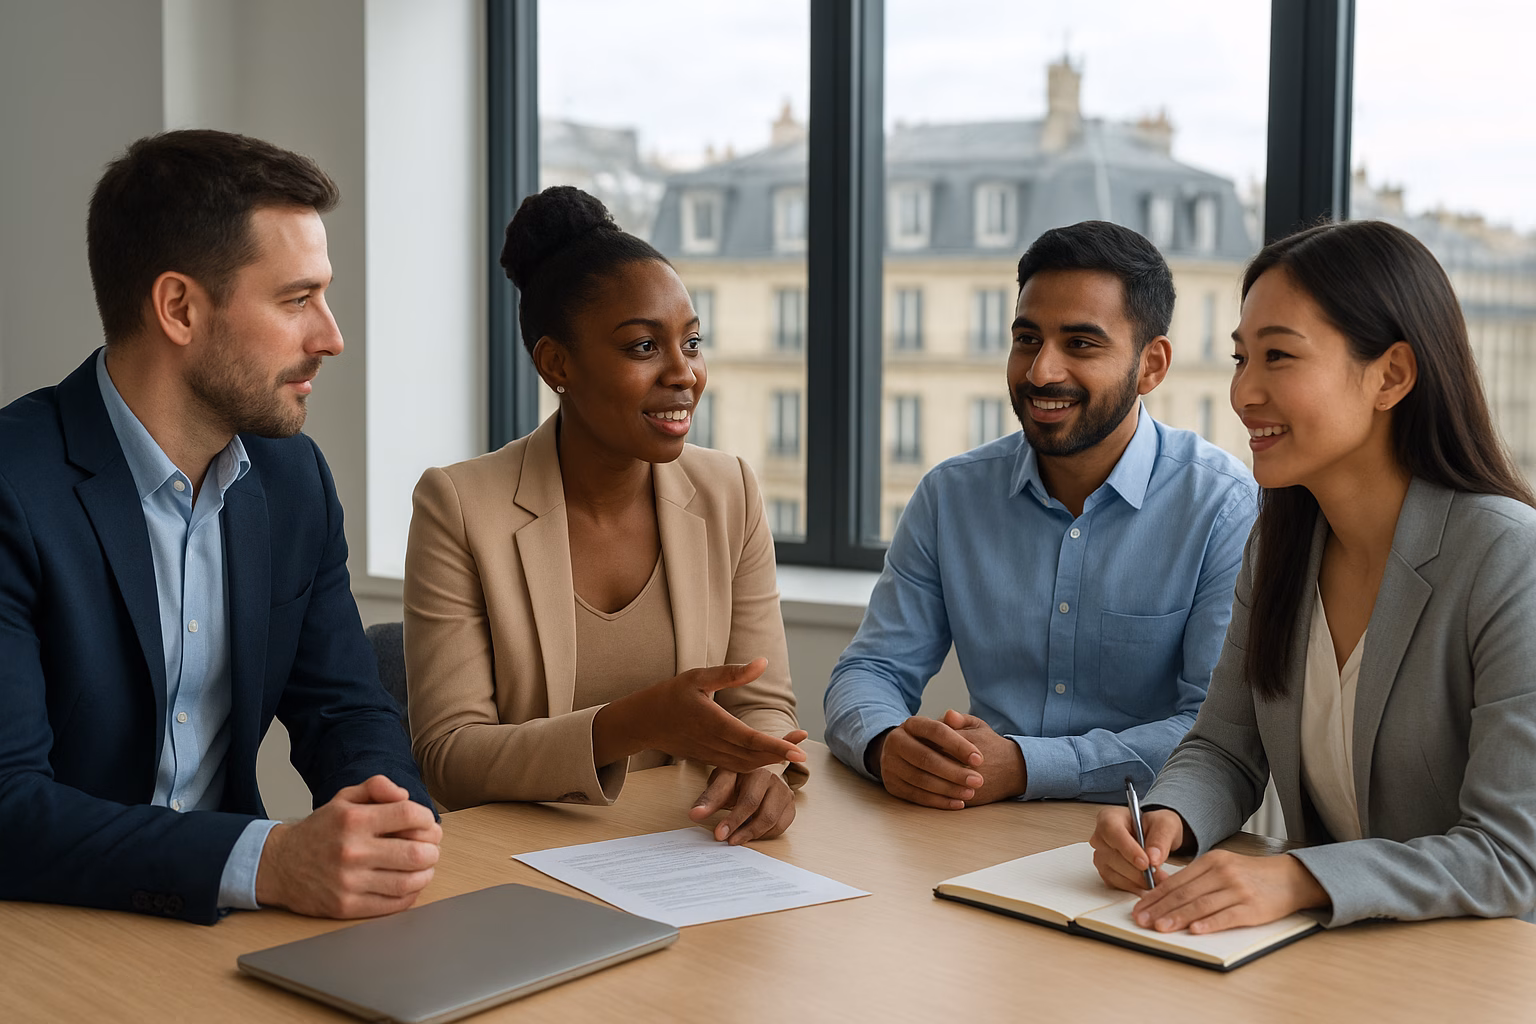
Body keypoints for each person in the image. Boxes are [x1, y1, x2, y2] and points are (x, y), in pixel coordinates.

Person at [0, 130, 440, 926]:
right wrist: (268, 860)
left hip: (226, 925)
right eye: (297, 299)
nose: (331, 337)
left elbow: (345, 711)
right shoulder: (13, 488)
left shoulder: (293, 478)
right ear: (179, 308)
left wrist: (394, 827)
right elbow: (7, 808)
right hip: (49, 930)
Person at [1090, 219, 1536, 933]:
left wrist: (1299, 877)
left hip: (1480, 972)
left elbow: (1512, 855)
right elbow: (1225, 747)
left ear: (1390, 375)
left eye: (1278, 357)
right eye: (1241, 358)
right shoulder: (1281, 541)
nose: (1244, 393)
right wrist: (1167, 820)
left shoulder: (1508, 555)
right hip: (1327, 959)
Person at [405, 186, 807, 844]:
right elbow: (452, 759)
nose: (685, 373)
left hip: (696, 849)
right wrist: (632, 724)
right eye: (644, 347)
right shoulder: (459, 506)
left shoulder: (728, 489)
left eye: (693, 342)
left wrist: (764, 768)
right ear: (556, 363)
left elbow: (760, 700)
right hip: (527, 864)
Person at [822, 220, 1257, 808]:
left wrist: (1028, 765)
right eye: (1027, 339)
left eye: (1080, 344)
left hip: (1148, 841)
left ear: (1151, 365)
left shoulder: (1222, 506)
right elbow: (871, 669)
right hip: (976, 827)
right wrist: (886, 744)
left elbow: (1214, 735)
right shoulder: (950, 496)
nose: (1040, 372)